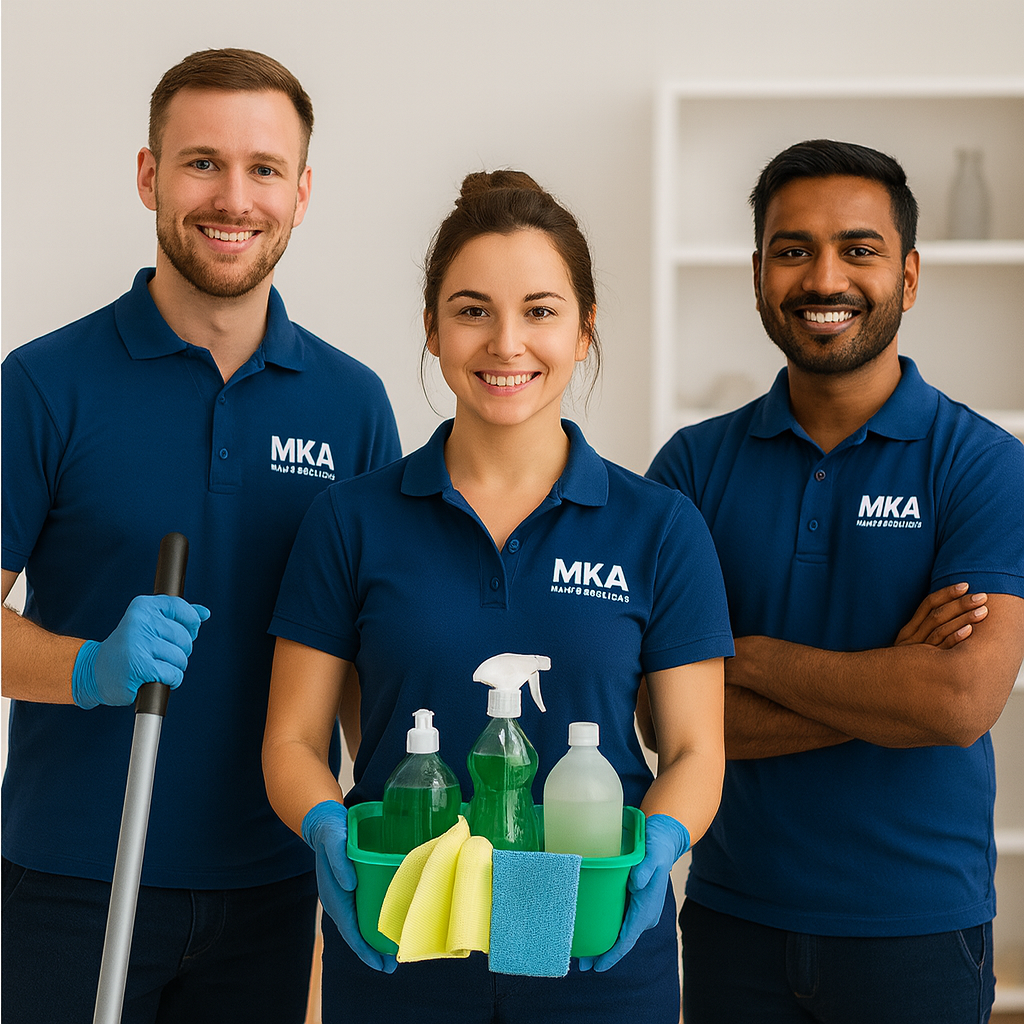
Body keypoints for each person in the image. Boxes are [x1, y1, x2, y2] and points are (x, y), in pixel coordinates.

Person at [262, 169, 734, 1023]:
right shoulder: (351, 521)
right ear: (434, 331)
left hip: (586, 945)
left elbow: (697, 752)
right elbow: (292, 738)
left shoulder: (659, 528)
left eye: (541, 311)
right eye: (473, 310)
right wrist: (326, 825)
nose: (506, 343)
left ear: (585, 330)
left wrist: (660, 843)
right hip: (405, 936)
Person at [1, 48, 400, 1024]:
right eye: (201, 162)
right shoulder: (44, 384)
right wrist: (92, 665)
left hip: (274, 877)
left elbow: (366, 652)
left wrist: (377, 831)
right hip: (69, 879)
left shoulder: (353, 406)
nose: (234, 197)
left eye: (265, 168)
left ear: (302, 193)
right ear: (149, 174)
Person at [645, 139, 1024, 1023]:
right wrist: (887, 680)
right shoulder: (691, 471)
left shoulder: (982, 465)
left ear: (911, 274)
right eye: (793, 249)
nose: (825, 278)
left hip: (921, 931)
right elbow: (663, 720)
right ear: (757, 274)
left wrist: (747, 657)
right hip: (735, 920)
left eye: (859, 249)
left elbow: (960, 700)